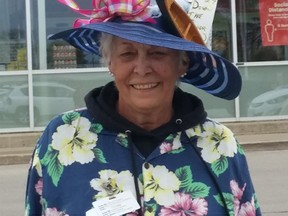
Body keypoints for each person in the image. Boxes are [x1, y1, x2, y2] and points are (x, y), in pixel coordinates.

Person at [25, 0, 261, 215]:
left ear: (183, 63)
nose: (141, 68)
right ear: (110, 63)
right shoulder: (62, 137)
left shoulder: (220, 144)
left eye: (157, 53)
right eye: (127, 53)